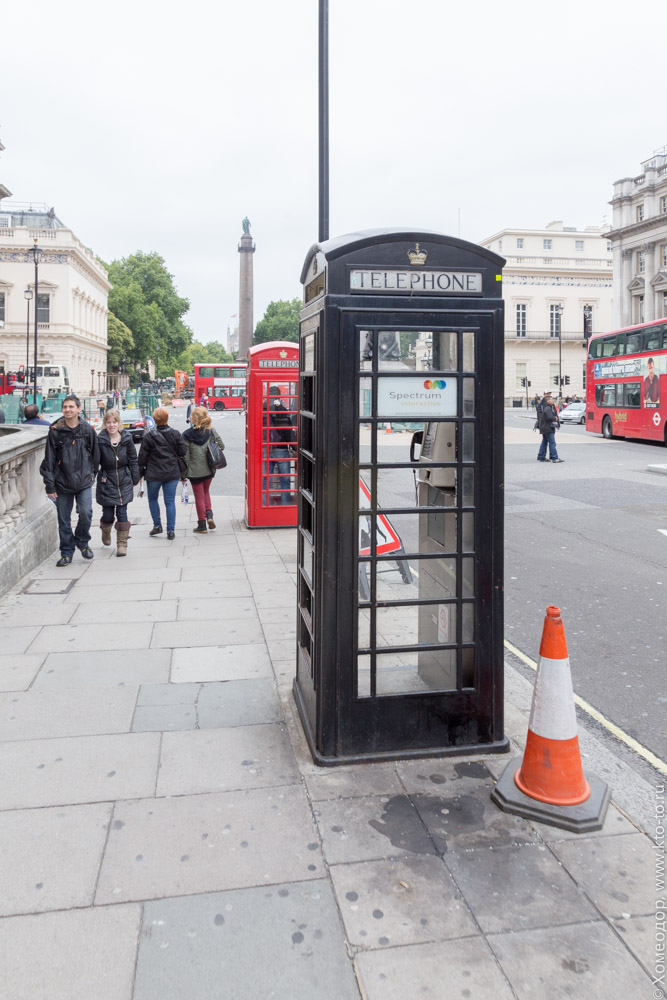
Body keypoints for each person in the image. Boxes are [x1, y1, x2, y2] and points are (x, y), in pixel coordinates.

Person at [40, 394, 100, 565]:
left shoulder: (87, 430)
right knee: (63, 519)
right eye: (65, 407)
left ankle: (82, 541)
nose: (68, 410)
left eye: (71, 407)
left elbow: (96, 455)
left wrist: (92, 474)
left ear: (78, 409)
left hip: (83, 481)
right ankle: (66, 552)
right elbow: (49, 460)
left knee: (86, 513)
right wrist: (50, 485)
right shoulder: (55, 431)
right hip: (62, 482)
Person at [137, 407, 186, 540]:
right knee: (170, 501)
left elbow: (142, 458)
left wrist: (139, 474)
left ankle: (157, 525)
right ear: (167, 418)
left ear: (155, 420)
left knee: (153, 499)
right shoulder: (175, 434)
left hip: (154, 474)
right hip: (172, 472)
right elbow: (182, 452)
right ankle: (171, 531)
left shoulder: (149, 437)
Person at [96, 408, 140, 556]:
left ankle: (122, 544)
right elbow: (95, 461)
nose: (111, 425)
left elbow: (133, 459)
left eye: (114, 422)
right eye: (108, 422)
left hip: (124, 479)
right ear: (105, 424)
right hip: (106, 479)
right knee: (108, 514)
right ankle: (106, 529)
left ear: (118, 423)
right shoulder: (100, 440)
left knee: (122, 513)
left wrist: (135, 477)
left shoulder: (126, 439)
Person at [183, 407, 225, 533]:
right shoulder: (211, 431)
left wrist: (183, 474)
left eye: (191, 415)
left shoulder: (186, 434)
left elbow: (186, 456)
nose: (190, 417)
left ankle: (202, 524)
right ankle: (209, 515)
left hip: (194, 471)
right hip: (209, 468)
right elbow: (222, 446)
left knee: (199, 497)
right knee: (206, 492)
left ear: (195, 418)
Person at [265, 386, 294, 504]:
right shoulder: (281, 409)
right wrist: (292, 446)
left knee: (265, 480)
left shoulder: (262, 407)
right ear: (279, 395)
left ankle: (264, 505)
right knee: (285, 480)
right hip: (281, 448)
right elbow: (288, 429)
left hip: (266, 448)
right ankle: (285, 505)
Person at [537, 391, 563, 463]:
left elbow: (555, 414)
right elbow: (550, 417)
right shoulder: (545, 406)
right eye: (551, 399)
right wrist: (555, 419)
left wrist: (557, 424)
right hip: (547, 427)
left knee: (545, 441)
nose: (553, 400)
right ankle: (554, 457)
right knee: (552, 442)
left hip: (546, 426)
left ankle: (541, 456)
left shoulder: (550, 406)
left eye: (550, 394)